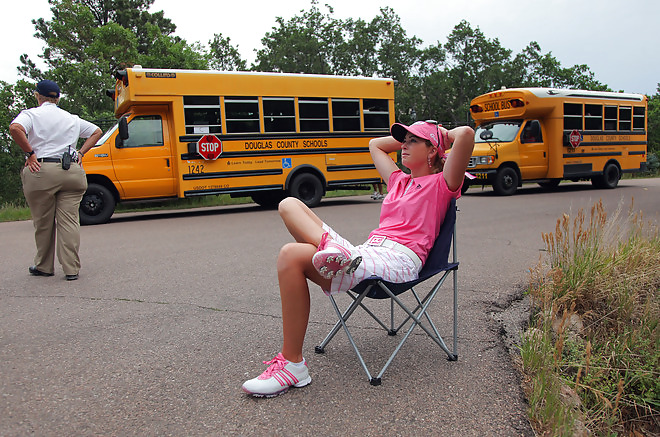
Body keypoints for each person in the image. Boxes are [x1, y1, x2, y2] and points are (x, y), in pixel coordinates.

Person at [241, 120, 474, 398]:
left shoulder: (442, 183)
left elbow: (467, 135)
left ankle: (292, 365)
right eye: (404, 140)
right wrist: (418, 136)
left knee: (290, 255)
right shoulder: (398, 181)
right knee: (288, 204)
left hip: (398, 261)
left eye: (413, 141)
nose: (403, 146)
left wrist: (440, 135)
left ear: (432, 150)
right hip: (366, 251)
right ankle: (332, 250)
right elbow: (374, 144)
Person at [9, 79, 102, 281]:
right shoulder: (71, 118)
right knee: (69, 221)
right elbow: (96, 131)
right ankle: (71, 269)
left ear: (37, 95)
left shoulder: (31, 114)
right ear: (58, 98)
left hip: (41, 169)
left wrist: (30, 153)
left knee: (43, 222)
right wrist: (81, 153)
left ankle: (44, 266)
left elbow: (15, 129)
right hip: (71, 171)